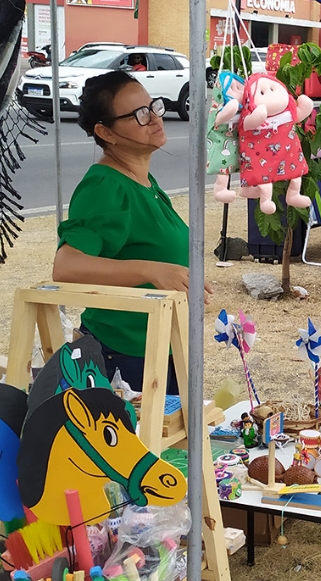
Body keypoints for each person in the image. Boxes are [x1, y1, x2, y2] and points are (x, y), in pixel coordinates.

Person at [53, 72, 212, 393]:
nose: (154, 118)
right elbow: (66, 267)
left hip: (159, 346)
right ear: (105, 132)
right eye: (140, 114)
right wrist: (151, 271)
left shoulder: (143, 182)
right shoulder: (105, 186)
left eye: (153, 106)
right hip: (123, 355)